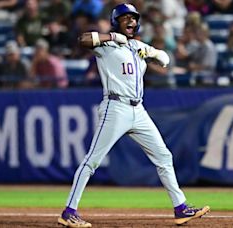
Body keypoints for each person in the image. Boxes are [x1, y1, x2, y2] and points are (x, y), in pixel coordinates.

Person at [57, 3, 210, 228]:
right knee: (92, 161)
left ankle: (180, 208)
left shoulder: (137, 46)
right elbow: (83, 40)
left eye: (134, 18)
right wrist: (111, 37)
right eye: (125, 18)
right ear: (116, 21)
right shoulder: (107, 44)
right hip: (115, 107)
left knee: (164, 156)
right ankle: (69, 211)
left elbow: (166, 60)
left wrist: (153, 52)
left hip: (138, 110)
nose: (131, 21)